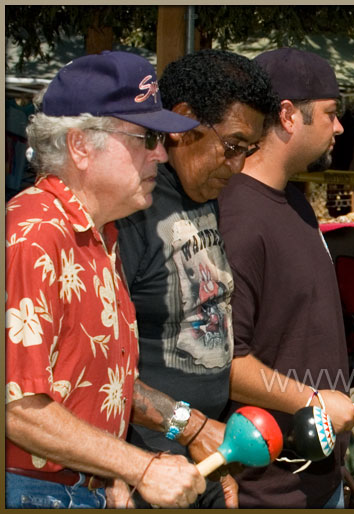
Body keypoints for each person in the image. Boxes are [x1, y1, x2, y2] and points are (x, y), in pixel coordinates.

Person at [5, 51, 206, 509]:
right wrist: (140, 467)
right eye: (146, 137)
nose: (161, 153)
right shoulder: (31, 235)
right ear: (80, 145)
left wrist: (110, 472)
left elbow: (84, 383)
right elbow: (17, 407)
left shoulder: (97, 232)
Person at [115, 49, 280, 508]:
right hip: (142, 473)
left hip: (200, 464)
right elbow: (94, 367)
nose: (238, 165)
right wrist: (190, 429)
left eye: (248, 151)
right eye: (231, 145)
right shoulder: (133, 206)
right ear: (183, 122)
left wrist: (214, 444)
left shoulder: (203, 192)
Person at [217, 47, 354, 508]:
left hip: (317, 480)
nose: (339, 127)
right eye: (330, 113)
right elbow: (227, 364)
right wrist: (314, 400)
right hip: (268, 489)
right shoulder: (238, 217)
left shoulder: (296, 202)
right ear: (287, 115)